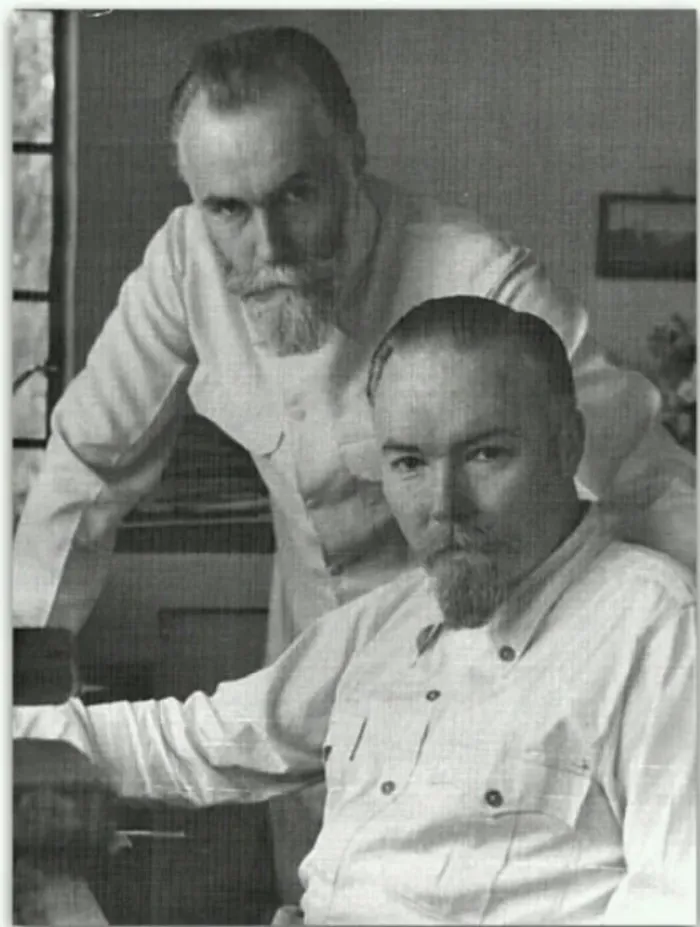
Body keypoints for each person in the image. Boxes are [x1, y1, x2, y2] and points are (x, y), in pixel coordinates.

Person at [12, 25, 696, 903]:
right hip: (339, 657)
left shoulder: (477, 276)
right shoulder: (185, 263)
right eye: (229, 210)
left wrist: (660, 646)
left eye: (297, 193)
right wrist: (23, 684)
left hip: (509, 641)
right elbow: (87, 466)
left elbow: (641, 476)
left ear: (354, 160)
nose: (268, 244)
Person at [14, 297, 696, 926]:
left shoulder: (657, 629)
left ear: (568, 444)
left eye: (486, 453)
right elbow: (200, 739)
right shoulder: (395, 618)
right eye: (409, 463)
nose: (443, 504)